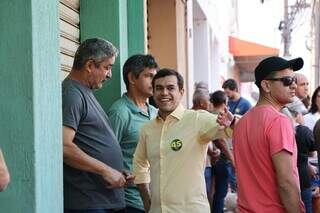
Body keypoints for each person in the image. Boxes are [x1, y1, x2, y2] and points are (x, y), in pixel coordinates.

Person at [132, 68, 233, 213]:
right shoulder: (147, 129)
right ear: (153, 93)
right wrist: (147, 199)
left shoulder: (196, 119)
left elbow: (229, 129)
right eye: (159, 88)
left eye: (170, 88)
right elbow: (139, 163)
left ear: (181, 92)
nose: (164, 93)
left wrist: (233, 122)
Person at [62, 38, 133, 213]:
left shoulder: (84, 92)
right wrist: (105, 170)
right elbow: (64, 146)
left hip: (103, 199)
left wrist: (117, 171)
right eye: (107, 67)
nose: (109, 74)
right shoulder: (72, 94)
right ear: (90, 65)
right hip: (88, 202)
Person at [232, 56, 305, 212]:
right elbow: (286, 181)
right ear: (266, 85)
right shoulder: (278, 121)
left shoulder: (241, 123)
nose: (293, 85)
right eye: (287, 80)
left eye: (294, 80)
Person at [107, 54, 158, 213]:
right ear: (132, 78)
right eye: (149, 76)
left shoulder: (156, 113)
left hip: (156, 200)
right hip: (130, 203)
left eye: (155, 76)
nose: (154, 82)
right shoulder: (120, 112)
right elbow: (106, 155)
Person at [285, 105, 316, 213]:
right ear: (297, 115)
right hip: (303, 178)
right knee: (307, 207)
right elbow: (313, 152)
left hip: (284, 179)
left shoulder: (279, 129)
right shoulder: (304, 131)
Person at [209, 90, 235, 213]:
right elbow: (221, 141)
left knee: (211, 192)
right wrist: (232, 159)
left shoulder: (207, 114)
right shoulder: (221, 116)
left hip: (209, 163)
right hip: (222, 161)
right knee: (220, 193)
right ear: (225, 102)